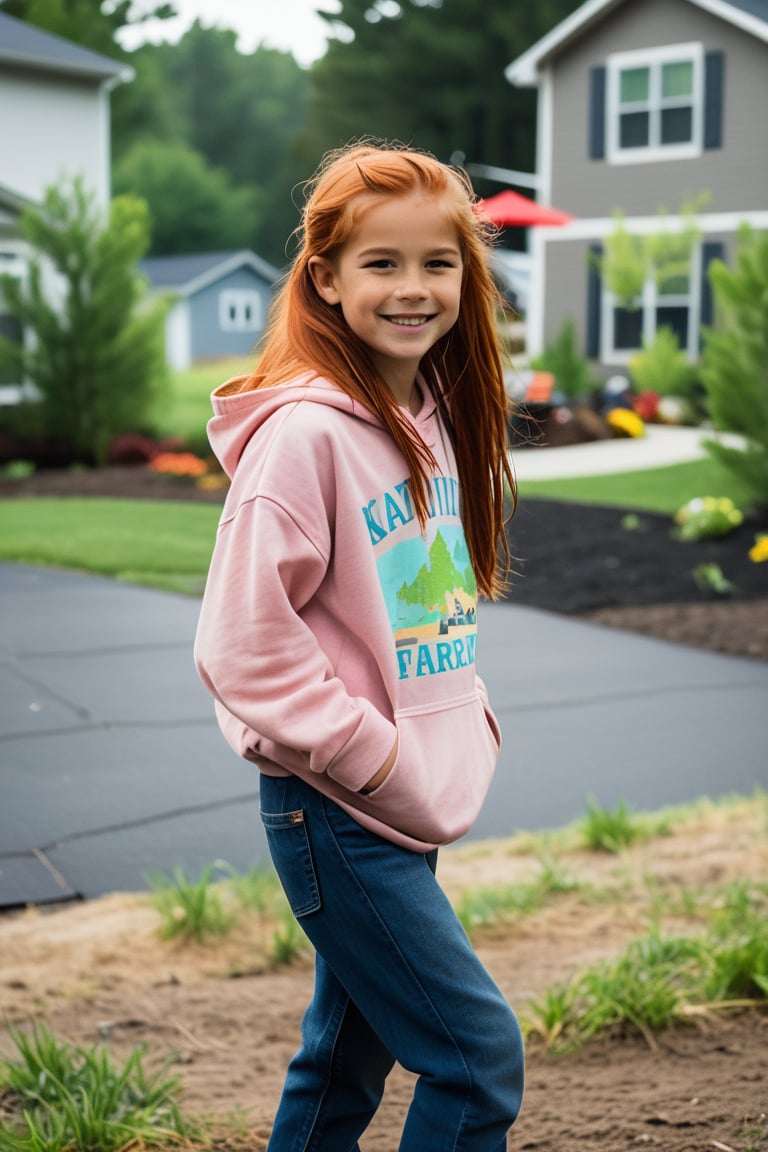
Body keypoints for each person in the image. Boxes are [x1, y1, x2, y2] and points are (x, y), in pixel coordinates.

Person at [194, 139, 524, 1151]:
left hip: (395, 802)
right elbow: (243, 646)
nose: (415, 287)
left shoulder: (425, 416)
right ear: (326, 278)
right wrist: (373, 755)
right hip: (338, 806)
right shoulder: (305, 438)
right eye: (382, 263)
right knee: (477, 1064)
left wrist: (441, 737)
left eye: (439, 262)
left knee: (341, 1064)